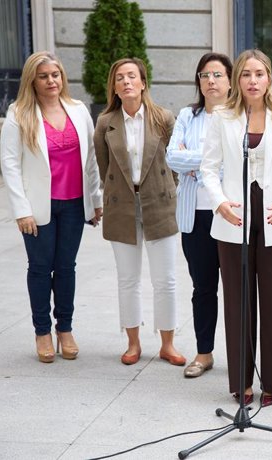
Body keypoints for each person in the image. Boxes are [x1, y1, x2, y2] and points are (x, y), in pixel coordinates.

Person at [200, 49, 272, 407]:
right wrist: (219, 202)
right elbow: (208, 168)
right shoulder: (223, 117)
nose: (252, 80)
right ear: (237, 80)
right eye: (246, 74)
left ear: (269, 79)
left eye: (259, 74)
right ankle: (241, 382)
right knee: (237, 303)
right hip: (235, 222)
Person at [0, 51, 102, 363]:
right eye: (43, 76)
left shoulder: (78, 109)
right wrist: (21, 210)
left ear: (62, 77)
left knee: (67, 268)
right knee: (41, 269)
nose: (51, 81)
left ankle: (65, 329)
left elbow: (92, 160)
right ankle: (42, 331)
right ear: (33, 79)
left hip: (73, 204)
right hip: (38, 209)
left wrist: (95, 201)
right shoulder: (19, 113)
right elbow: (10, 165)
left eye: (55, 75)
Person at [94, 58, 184, 367]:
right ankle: (133, 343)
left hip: (159, 204)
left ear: (143, 83)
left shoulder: (163, 118)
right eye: (119, 78)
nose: (126, 82)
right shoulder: (106, 123)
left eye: (132, 76)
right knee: (127, 280)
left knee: (166, 280)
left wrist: (166, 191)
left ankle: (168, 344)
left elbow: (174, 165)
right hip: (122, 207)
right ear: (115, 88)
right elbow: (105, 167)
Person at [166, 52, 232, 378]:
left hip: (230, 215)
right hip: (195, 215)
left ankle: (241, 354)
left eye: (218, 75)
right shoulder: (187, 116)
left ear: (230, 81)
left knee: (237, 290)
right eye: (205, 75)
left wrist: (198, 163)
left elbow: (237, 161)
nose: (211, 81)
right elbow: (171, 158)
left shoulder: (240, 117)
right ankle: (204, 353)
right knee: (203, 288)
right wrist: (210, 162)